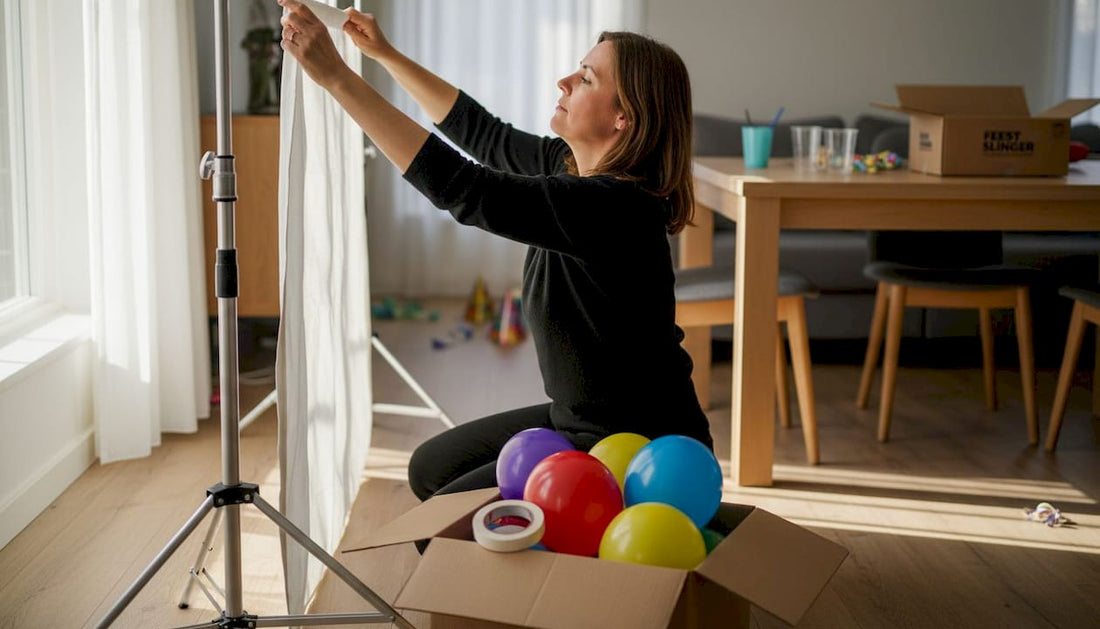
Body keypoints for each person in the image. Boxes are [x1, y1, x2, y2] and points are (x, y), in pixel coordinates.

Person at [279, 0, 713, 504]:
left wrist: (338, 80)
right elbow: (482, 134)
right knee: (431, 471)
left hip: (641, 450)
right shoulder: (568, 167)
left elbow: (465, 188)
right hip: (580, 421)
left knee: (444, 523)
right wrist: (385, 55)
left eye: (587, 79)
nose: (564, 82)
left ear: (624, 117)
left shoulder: (614, 207)